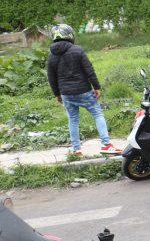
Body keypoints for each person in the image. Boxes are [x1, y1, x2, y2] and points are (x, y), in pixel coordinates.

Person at [45, 24, 121, 158]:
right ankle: (106, 145)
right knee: (97, 114)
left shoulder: (51, 55)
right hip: (83, 91)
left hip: (66, 94)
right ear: (70, 35)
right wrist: (97, 87)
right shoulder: (77, 50)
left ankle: (76, 150)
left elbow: (51, 78)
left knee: (73, 119)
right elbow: (89, 70)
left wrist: (57, 94)